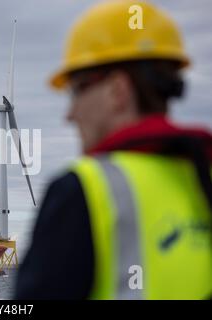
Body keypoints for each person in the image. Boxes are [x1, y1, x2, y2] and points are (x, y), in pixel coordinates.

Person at [14, 0, 211, 300]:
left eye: (77, 90)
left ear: (118, 90)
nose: (69, 114)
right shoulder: (202, 172)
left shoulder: (83, 190)